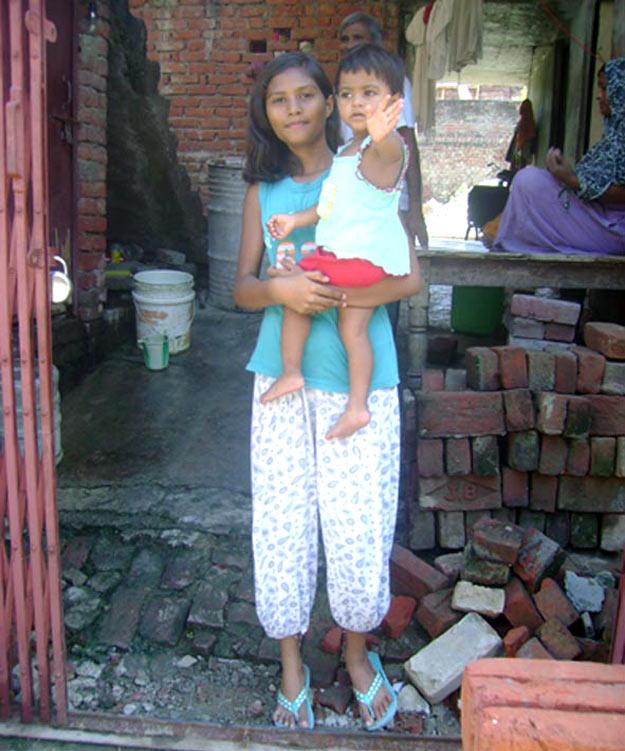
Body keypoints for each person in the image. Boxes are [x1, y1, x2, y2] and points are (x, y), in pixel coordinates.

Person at [233, 52, 421, 731]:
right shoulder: (264, 193)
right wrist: (281, 288)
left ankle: (358, 656)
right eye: (278, 100)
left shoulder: (368, 170)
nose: (294, 110)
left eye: (307, 95)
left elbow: (407, 279)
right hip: (279, 382)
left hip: (358, 384)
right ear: (266, 112)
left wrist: (337, 290)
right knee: (281, 519)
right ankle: (291, 663)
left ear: (332, 102)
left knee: (355, 523)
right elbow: (241, 287)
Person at [261, 44, 411, 441]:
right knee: (353, 332)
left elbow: (393, 156)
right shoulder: (347, 154)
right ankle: (357, 407)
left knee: (299, 288)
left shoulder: (379, 152)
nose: (356, 102)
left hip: (359, 261)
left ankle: (291, 371)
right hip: (354, 261)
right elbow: (330, 208)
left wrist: (385, 136)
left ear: (394, 102)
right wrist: (295, 219)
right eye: (347, 94)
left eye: (369, 93)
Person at [338, 12, 428, 334]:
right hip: (355, 206)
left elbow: (408, 146)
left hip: (391, 203)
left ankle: (385, 367)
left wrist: (414, 210)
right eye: (345, 40)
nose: (349, 46)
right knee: (356, 292)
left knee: (387, 285)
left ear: (375, 42)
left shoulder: (393, 82)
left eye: (357, 38)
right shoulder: (347, 87)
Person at [494, 58, 625, 255]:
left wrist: (573, 180)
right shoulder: (613, 137)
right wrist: (564, 174)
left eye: (605, 89)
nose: (599, 97)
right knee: (530, 180)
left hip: (614, 228)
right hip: (598, 216)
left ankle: (520, 249)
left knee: (528, 181)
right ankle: (517, 247)